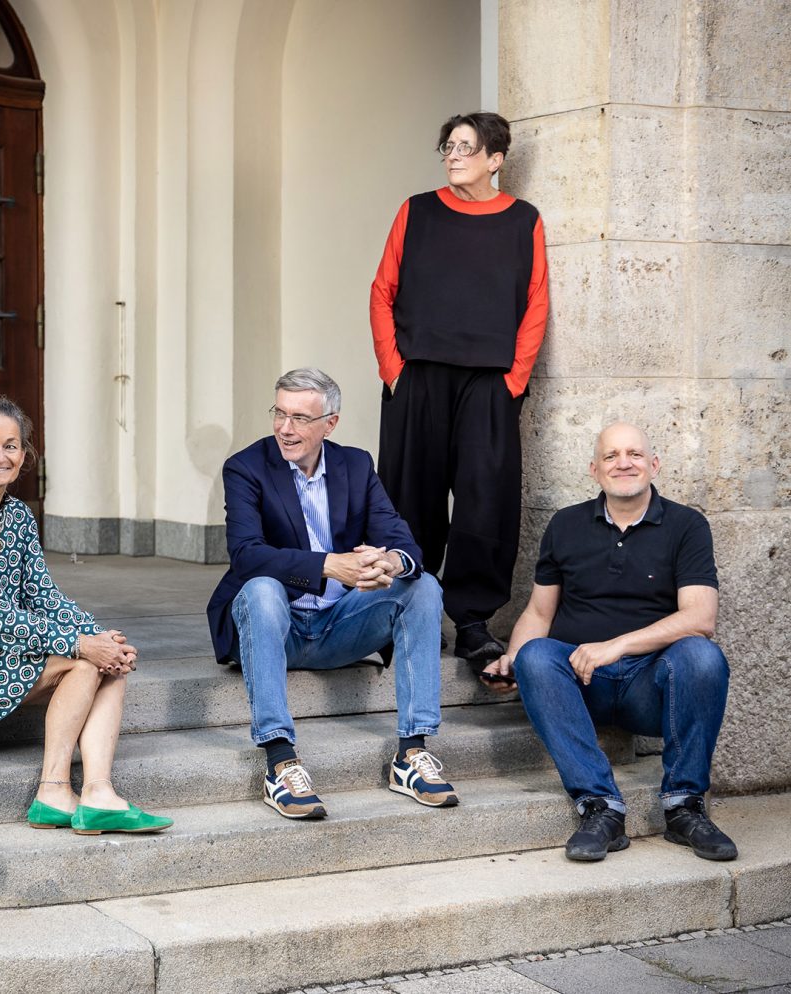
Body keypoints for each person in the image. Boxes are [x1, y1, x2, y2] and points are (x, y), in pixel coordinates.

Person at [0, 396, 172, 836]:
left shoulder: (16, 514)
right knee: (82, 662)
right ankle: (53, 789)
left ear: (24, 455)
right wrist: (81, 644)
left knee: (106, 663)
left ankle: (97, 793)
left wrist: (101, 636)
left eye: (10, 446)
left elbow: (44, 596)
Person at [206, 368, 457, 821]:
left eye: (301, 418)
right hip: (272, 628)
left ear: (330, 423)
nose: (286, 428)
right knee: (261, 588)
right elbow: (246, 555)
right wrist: (327, 565)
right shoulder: (245, 467)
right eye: (279, 413)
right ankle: (280, 761)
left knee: (421, 585)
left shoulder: (355, 465)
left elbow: (403, 542)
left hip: (339, 625)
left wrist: (391, 562)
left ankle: (412, 754)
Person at [487, 423, 736, 863]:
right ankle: (600, 807)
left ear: (654, 465)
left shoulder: (687, 525)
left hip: (652, 686)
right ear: (595, 470)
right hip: (584, 685)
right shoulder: (565, 524)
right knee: (535, 656)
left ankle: (684, 805)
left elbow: (700, 618)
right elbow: (539, 613)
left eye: (635, 454)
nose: (624, 463)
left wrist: (616, 645)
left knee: (702, 655)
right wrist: (512, 660)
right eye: (612, 456)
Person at [369, 111, 549, 674]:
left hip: (489, 381)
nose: (453, 155)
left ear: (495, 160)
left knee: (485, 501)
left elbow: (536, 302)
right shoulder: (416, 211)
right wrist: (393, 369)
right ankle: (400, 616)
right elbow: (382, 290)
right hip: (418, 375)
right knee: (407, 498)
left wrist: (514, 380)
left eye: (466, 147)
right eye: (448, 145)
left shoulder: (523, 220)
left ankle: (472, 622)